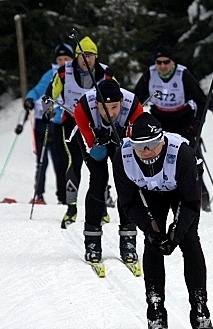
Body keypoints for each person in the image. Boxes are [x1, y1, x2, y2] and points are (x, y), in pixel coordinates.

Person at [112, 112, 213, 329]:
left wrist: (176, 233)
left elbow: (190, 203)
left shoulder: (182, 153)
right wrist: (149, 228)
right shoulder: (123, 157)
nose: (147, 152)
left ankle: (200, 309)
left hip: (180, 193)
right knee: (153, 242)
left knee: (189, 241)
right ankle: (155, 310)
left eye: (152, 145)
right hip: (149, 194)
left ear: (162, 140)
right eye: (140, 146)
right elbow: (128, 202)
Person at [133, 46, 213, 213]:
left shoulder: (183, 75)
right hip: (160, 120)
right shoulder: (149, 74)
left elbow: (201, 100)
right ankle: (162, 195)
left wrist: (196, 125)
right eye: (159, 62)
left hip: (183, 120)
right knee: (157, 158)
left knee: (192, 158)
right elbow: (136, 100)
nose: (163, 66)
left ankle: (201, 197)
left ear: (173, 62)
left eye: (166, 62)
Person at [44, 36, 116, 228]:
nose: (87, 59)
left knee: (98, 164)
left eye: (91, 56)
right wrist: (48, 109)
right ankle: (71, 207)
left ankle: (101, 207)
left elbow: (118, 94)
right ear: (76, 57)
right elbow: (49, 94)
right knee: (73, 162)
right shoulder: (64, 73)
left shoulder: (105, 73)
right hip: (72, 124)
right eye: (82, 56)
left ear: (96, 57)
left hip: (97, 126)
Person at [73, 79, 144, 263]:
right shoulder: (83, 108)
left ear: (121, 102)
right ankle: (92, 241)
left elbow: (134, 149)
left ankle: (128, 239)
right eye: (104, 108)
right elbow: (96, 155)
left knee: (127, 183)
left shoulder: (134, 107)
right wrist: (99, 141)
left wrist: (123, 138)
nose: (110, 113)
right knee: (98, 179)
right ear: (97, 104)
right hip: (96, 143)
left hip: (122, 140)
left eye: (114, 107)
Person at [23, 43, 74, 204]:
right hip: (52, 122)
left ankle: (66, 196)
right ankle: (40, 195)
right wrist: (30, 99)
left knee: (65, 163)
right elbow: (39, 91)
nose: (63, 62)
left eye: (66, 58)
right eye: (60, 59)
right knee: (43, 161)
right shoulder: (51, 73)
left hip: (69, 123)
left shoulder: (77, 74)